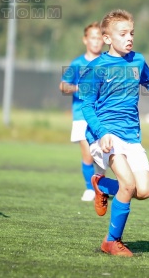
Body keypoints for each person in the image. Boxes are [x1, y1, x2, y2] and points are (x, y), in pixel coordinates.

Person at [79, 9, 149, 257]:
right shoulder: (95, 68)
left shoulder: (137, 61)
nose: (129, 37)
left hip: (132, 138)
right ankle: (111, 241)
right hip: (105, 136)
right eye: (123, 33)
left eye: (132, 33)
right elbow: (86, 105)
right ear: (107, 39)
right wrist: (101, 132)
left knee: (144, 190)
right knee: (127, 184)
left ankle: (101, 183)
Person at [60, 22, 105, 201]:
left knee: (102, 156)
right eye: (92, 37)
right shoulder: (77, 63)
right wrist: (80, 88)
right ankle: (89, 189)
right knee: (87, 152)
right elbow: (63, 85)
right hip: (81, 114)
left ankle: (100, 187)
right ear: (85, 40)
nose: (96, 41)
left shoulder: (106, 62)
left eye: (99, 37)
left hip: (101, 115)